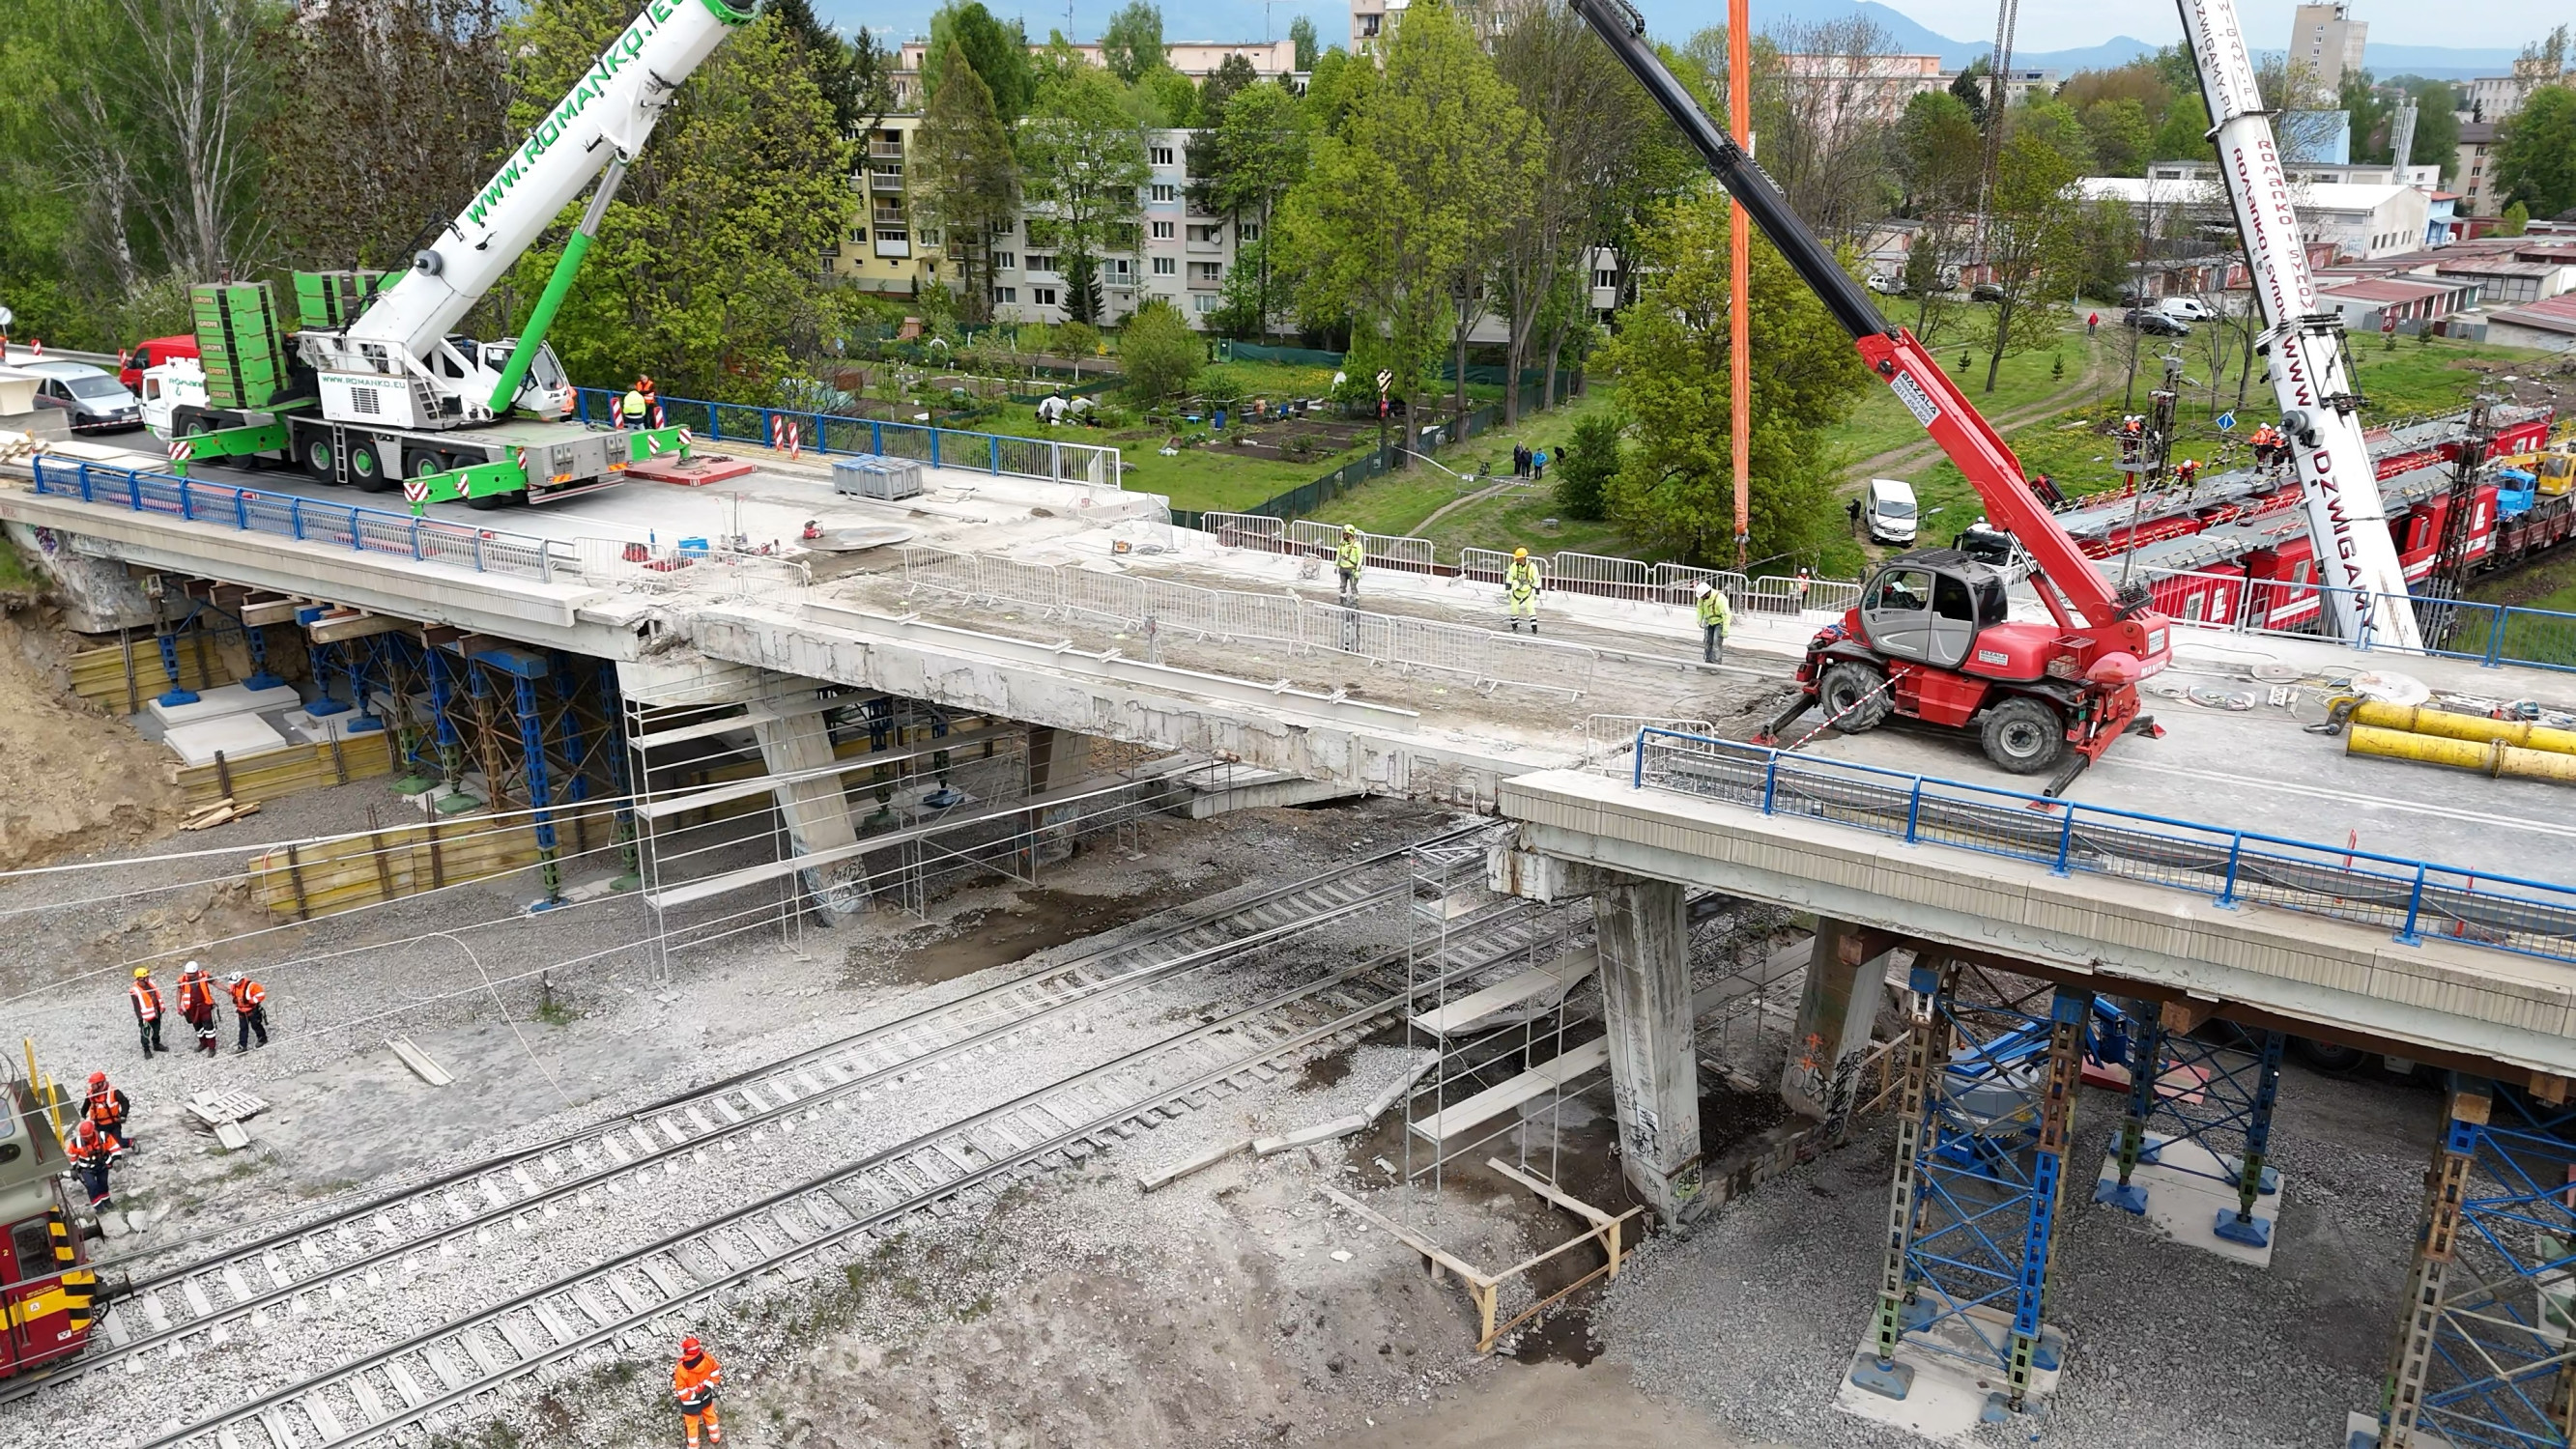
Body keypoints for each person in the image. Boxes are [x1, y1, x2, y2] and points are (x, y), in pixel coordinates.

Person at [673, 1336, 725, 1447]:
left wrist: (693, 1396)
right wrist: (708, 1387)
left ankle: (693, 1446)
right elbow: (715, 1373)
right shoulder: (707, 1359)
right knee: (710, 1415)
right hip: (706, 1396)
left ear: (685, 1351)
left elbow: (681, 1391)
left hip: (690, 1403)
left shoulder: (681, 1369)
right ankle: (715, 1437)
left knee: (691, 1425)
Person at [65, 1119, 114, 1210]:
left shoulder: (102, 1136)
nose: (86, 1138)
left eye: (88, 1136)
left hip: (101, 1164)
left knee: (103, 1183)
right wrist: (72, 1169)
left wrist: (113, 1160)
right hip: (86, 1168)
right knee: (92, 1185)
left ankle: (106, 1201)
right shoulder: (75, 1143)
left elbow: (112, 1147)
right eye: (85, 1136)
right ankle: (98, 1207)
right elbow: (72, 1157)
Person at [83, 1071, 134, 1156]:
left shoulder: (113, 1091)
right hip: (99, 1125)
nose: (91, 1086)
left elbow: (124, 1102)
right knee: (100, 1145)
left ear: (100, 1084)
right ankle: (108, 1161)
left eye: (93, 1084)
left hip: (113, 1124)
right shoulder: (90, 1094)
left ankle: (131, 1142)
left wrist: (123, 1115)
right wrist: (83, 1115)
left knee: (118, 1143)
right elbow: (85, 1106)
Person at [176, 960, 219, 1058]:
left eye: (192, 974)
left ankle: (212, 1047)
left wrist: (227, 990)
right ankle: (203, 1043)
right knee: (197, 1026)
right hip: (191, 1007)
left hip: (204, 1005)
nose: (190, 976)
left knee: (209, 1027)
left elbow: (215, 983)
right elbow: (179, 992)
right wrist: (178, 1006)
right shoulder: (182, 980)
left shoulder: (204, 975)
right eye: (188, 974)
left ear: (196, 972)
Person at [129, 967, 167, 1059]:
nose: (148, 978)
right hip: (145, 1016)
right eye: (145, 976)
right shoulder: (135, 990)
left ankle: (156, 1044)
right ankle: (146, 1049)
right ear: (140, 978)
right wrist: (140, 1018)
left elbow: (157, 995)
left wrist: (161, 1007)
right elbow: (136, 1006)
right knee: (145, 1033)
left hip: (156, 1012)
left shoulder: (151, 983)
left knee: (157, 1029)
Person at [226, 972, 270, 1053]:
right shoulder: (233, 986)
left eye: (236, 982)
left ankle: (262, 1038)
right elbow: (233, 993)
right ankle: (242, 1046)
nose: (235, 984)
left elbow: (261, 994)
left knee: (256, 1025)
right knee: (243, 1028)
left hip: (252, 1010)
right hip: (241, 1011)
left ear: (241, 980)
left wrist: (251, 1001)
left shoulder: (252, 986)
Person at [1503, 547, 1542, 633]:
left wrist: (1537, 592)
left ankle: (1534, 628)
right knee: (1514, 610)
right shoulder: (1513, 566)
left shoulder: (1532, 567)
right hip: (1516, 592)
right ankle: (1514, 627)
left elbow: (1536, 579)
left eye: (1518, 558)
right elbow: (1509, 577)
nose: (1517, 560)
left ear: (1523, 558)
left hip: (1527, 592)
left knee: (1531, 609)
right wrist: (1508, 590)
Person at [1695, 581, 1732, 665]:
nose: (1701, 598)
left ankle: (1716, 663)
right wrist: (1699, 619)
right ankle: (1708, 661)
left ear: (1707, 593)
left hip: (1719, 623)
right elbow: (1700, 608)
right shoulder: (1702, 599)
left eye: (1702, 596)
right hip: (1709, 622)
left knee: (1716, 643)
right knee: (1708, 642)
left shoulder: (1720, 598)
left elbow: (1726, 615)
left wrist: (1725, 630)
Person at [1333, 525, 1365, 607]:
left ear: (1350, 534)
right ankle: (1342, 597)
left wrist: (1358, 570)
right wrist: (1336, 565)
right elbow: (1338, 554)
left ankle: (1355, 599)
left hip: (1352, 569)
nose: (1343, 535)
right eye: (1343, 533)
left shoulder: (1357, 545)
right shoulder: (1342, 543)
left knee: (1353, 586)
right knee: (1342, 585)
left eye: (1345, 534)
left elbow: (1360, 557)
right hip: (1342, 568)